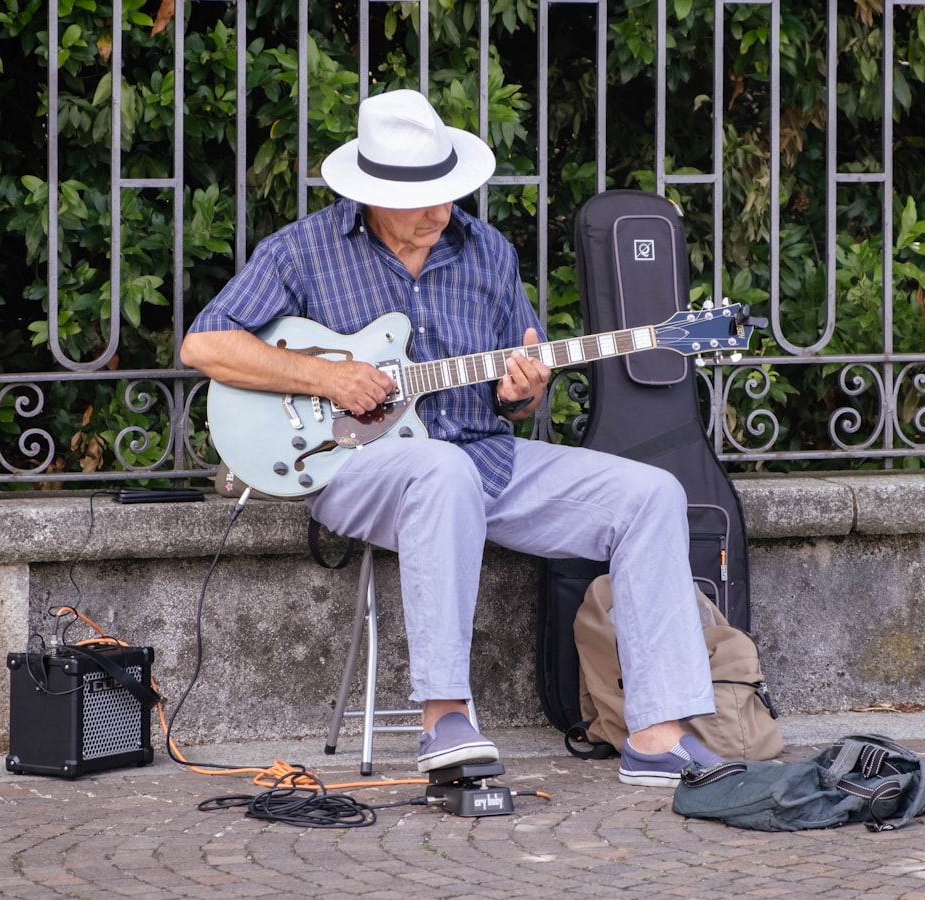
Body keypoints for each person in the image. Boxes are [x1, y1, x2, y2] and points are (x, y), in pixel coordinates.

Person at [182, 89, 722, 786]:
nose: (441, 212)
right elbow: (206, 346)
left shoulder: (487, 251)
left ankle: (657, 735)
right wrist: (324, 378)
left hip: (483, 456)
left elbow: (519, 391)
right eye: (421, 199)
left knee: (651, 493)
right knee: (440, 470)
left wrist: (527, 391)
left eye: (449, 192)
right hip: (355, 468)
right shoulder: (304, 251)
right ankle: (445, 719)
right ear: (371, 194)